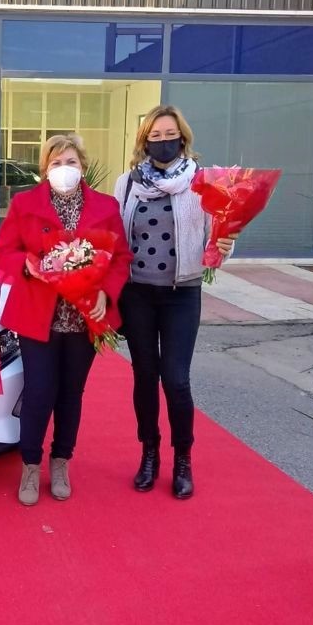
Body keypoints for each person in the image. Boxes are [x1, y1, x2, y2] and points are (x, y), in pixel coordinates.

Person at [0, 134, 132, 505]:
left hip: (85, 317)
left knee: (71, 393)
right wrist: (25, 265)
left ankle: (61, 461)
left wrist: (107, 292)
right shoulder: (25, 204)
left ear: (82, 166)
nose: (64, 169)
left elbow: (119, 258)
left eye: (70, 162)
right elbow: (4, 252)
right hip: (38, 316)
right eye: (56, 164)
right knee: (39, 392)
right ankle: (29, 465)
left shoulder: (106, 206)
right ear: (44, 170)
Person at [114, 105, 236, 500]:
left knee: (176, 379)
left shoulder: (203, 183)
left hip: (182, 293)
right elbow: (114, 237)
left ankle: (183, 458)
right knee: (145, 377)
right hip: (137, 294)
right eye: (155, 135)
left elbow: (217, 237)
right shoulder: (127, 184)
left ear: (182, 136)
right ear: (144, 140)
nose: (163, 141)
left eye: (170, 135)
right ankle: (149, 454)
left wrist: (224, 246)